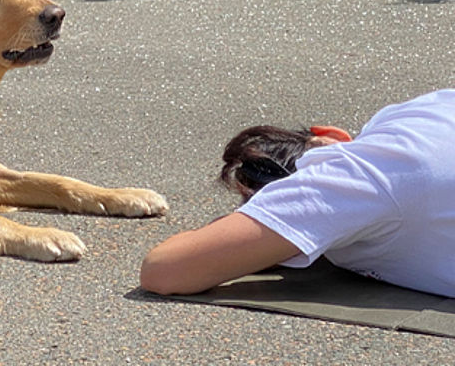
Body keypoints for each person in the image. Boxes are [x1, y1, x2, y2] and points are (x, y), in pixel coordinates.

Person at [140, 89, 455, 298]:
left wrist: (250, 237)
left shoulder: (344, 180)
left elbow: (164, 270)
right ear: (331, 132)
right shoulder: (420, 111)